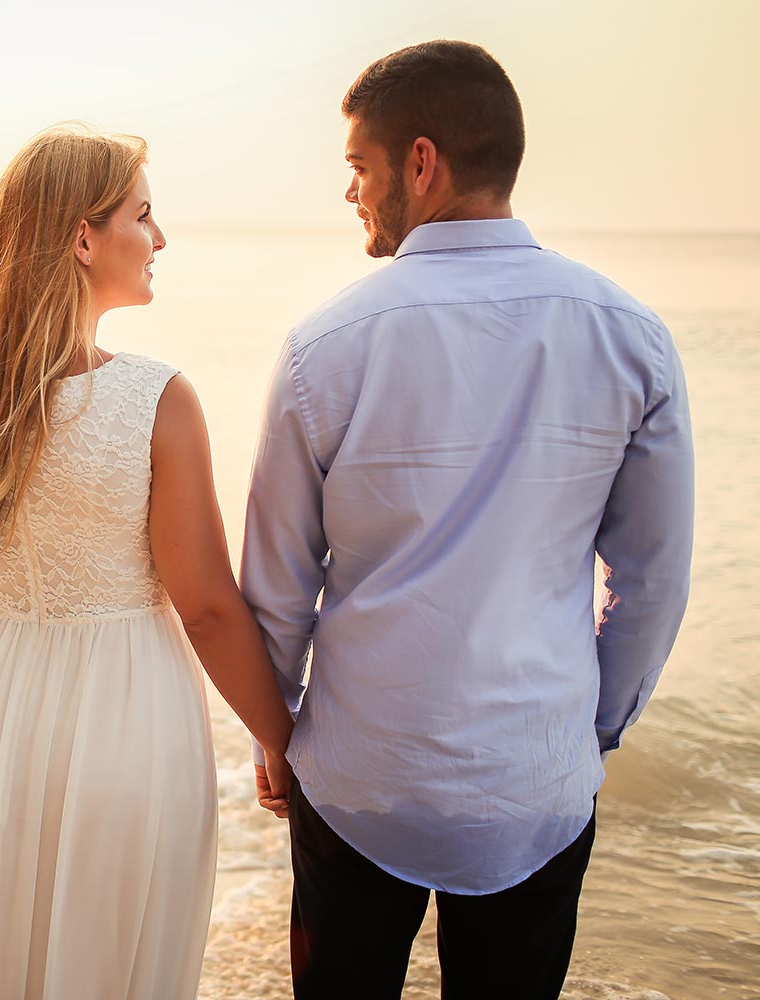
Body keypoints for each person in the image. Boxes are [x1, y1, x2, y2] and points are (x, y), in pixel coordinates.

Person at [241, 40, 696, 999]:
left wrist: (275, 736)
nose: (353, 194)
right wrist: (589, 730)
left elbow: (277, 589)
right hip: (537, 784)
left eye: (359, 168)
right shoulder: (632, 338)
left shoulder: (325, 346)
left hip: (360, 779)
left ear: (420, 162)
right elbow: (654, 581)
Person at [0, 125, 295, 1000]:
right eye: (144, 216)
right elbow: (206, 608)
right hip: (127, 720)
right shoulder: (156, 398)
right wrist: (283, 737)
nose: (160, 240)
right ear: (84, 238)